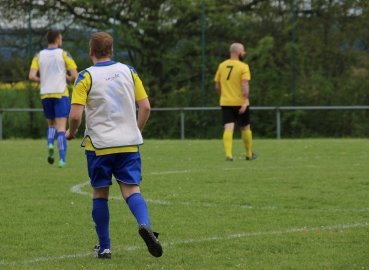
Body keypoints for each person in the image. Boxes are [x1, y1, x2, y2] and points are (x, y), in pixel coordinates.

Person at [65, 32, 163, 259]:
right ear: (112, 51)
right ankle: (145, 225)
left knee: (100, 194)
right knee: (131, 190)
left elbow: (76, 115)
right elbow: (146, 107)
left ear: (90, 52)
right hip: (128, 143)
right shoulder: (129, 71)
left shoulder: (85, 76)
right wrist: (135, 131)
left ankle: (105, 247)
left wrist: (72, 132)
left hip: (100, 145)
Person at [29, 29, 78, 168]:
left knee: (51, 125)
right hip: (60, 93)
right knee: (62, 128)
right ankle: (62, 159)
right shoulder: (63, 54)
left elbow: (32, 76)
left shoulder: (39, 55)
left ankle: (50, 143)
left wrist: (42, 80)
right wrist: (68, 78)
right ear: (57, 39)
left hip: (45, 94)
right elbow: (75, 74)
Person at [214, 43, 258, 161]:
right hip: (240, 102)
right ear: (238, 52)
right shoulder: (243, 66)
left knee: (228, 128)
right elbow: (244, 84)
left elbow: (217, 86)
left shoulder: (222, 65)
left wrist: (224, 96)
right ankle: (249, 155)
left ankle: (229, 155)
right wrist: (244, 101)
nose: (244, 53)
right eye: (243, 51)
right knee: (245, 128)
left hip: (226, 102)